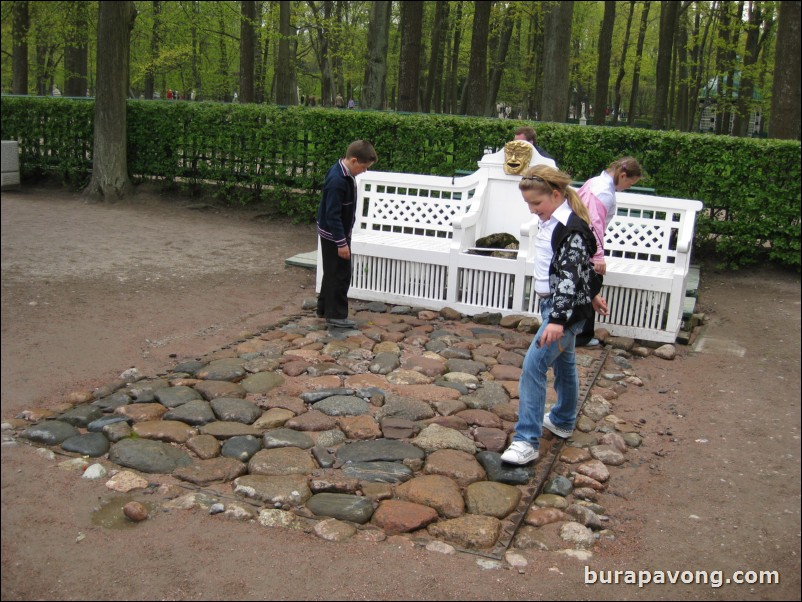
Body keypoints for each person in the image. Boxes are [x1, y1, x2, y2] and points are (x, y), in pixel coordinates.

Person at [500, 165, 608, 465]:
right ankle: (561, 419)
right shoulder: (557, 221)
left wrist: (558, 320)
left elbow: (571, 276)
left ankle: (526, 441)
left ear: (557, 195)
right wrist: (593, 294)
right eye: (529, 205)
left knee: (533, 367)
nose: (534, 210)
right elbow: (579, 268)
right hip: (563, 306)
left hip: (564, 311)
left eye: (537, 204)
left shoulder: (570, 228)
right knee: (565, 363)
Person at [575, 157, 643, 347]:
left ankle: (578, 332)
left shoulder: (594, 182)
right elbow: (594, 223)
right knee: (592, 282)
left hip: (577, 238)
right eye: (630, 182)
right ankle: (582, 335)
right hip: (586, 242)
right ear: (622, 175)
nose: (628, 186)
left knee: (582, 283)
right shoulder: (604, 192)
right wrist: (598, 256)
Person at [316, 140, 378, 328]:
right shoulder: (338, 180)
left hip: (335, 232)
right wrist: (341, 243)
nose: (365, 171)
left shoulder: (342, 172)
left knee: (331, 272)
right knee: (341, 274)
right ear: (353, 160)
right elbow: (332, 214)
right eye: (364, 167)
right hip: (335, 235)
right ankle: (336, 315)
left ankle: (324, 308)